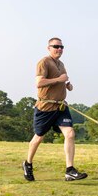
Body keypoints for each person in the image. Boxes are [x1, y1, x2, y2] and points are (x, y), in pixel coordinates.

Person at [22, 37, 88, 182]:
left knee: (70, 133)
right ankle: (28, 163)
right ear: (49, 48)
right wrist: (59, 80)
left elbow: (63, 80)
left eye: (61, 47)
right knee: (39, 137)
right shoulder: (44, 62)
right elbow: (39, 83)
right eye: (56, 46)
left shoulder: (61, 64)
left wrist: (67, 86)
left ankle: (70, 170)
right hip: (45, 107)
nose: (59, 49)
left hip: (60, 106)